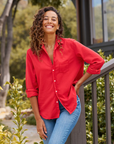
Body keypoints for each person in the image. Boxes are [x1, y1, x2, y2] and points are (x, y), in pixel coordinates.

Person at [25, 6, 104, 144]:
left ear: (58, 25)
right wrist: (38, 119)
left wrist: (78, 83)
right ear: (40, 23)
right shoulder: (32, 53)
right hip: (45, 110)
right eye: (46, 18)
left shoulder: (71, 45)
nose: (50, 21)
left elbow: (98, 61)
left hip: (69, 106)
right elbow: (31, 88)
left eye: (53, 19)